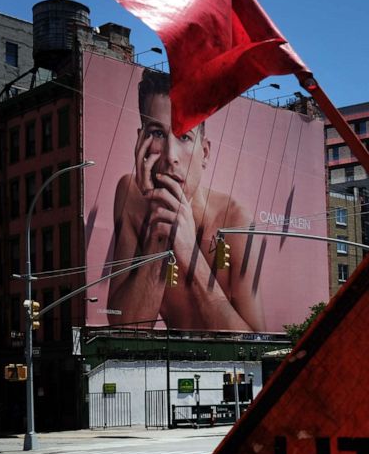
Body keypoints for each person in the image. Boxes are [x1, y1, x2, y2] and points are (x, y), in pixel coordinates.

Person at [107, 69, 265, 332]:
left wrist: (190, 252)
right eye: (157, 133)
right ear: (140, 143)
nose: (171, 156)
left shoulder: (234, 219)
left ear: (204, 152)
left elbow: (255, 346)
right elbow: (126, 328)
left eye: (184, 136)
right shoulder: (130, 194)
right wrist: (160, 236)